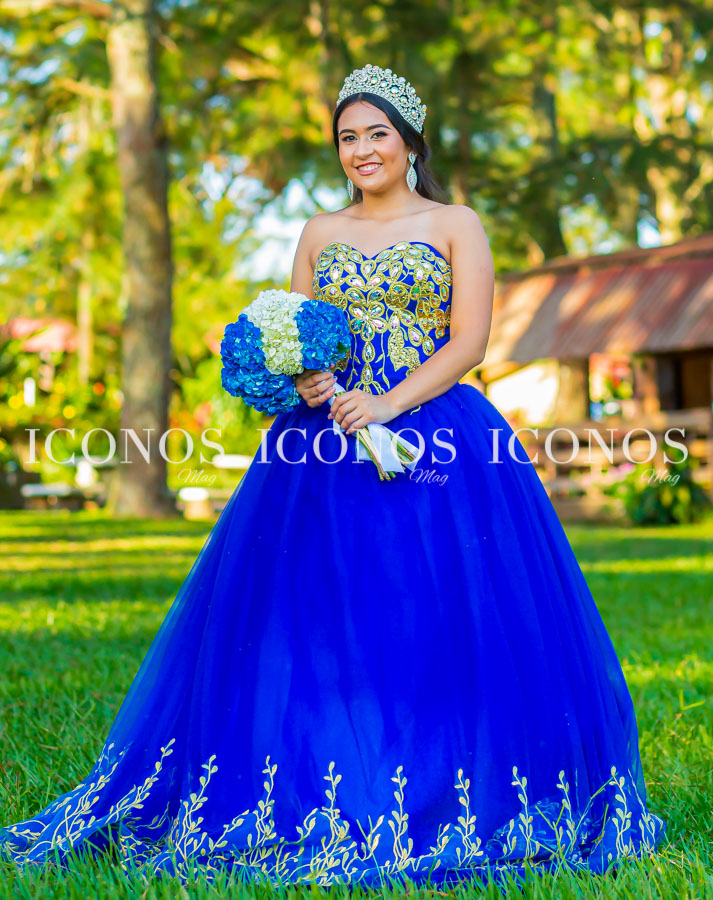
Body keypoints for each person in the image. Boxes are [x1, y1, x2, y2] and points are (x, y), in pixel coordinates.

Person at [0, 63, 666, 890]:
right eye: (348, 137)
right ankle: (313, 779)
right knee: (310, 613)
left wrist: (387, 403)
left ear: (409, 142)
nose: (361, 149)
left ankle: (449, 784)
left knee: (435, 610)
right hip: (322, 448)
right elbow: (296, 331)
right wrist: (308, 379)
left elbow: (469, 342)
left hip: (434, 433)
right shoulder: (318, 231)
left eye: (376, 133)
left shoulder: (454, 223)